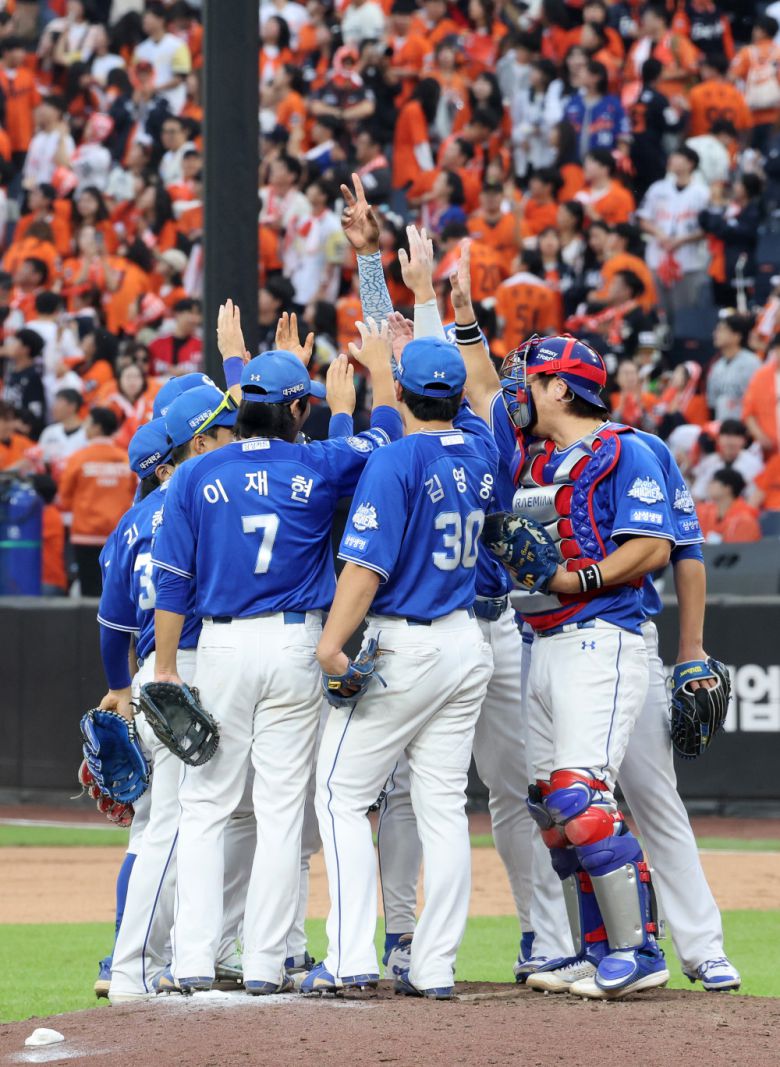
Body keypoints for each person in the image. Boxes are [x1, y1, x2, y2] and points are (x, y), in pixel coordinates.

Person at [150, 306, 402, 995]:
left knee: (206, 803)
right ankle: (265, 963)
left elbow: (171, 582)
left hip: (222, 643)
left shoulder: (195, 475)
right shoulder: (316, 461)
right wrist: (358, 392)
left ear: (238, 408)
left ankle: (193, 958)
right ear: (298, 408)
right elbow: (384, 438)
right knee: (282, 807)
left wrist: (167, 667)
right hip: (296, 641)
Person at [455, 281, 676, 999]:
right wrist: (461, 318)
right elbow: (482, 384)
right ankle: (592, 948)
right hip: (541, 640)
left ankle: (639, 950)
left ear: (560, 388)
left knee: (583, 795)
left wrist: (579, 577)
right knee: (551, 804)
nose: (519, 392)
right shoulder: (534, 454)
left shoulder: (624, 450)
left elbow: (653, 546)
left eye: (531, 381)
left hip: (599, 636)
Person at [306, 333, 497, 999]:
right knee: (442, 807)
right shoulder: (483, 450)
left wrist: (331, 645)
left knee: (340, 795)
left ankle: (349, 956)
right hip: (465, 641)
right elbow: (474, 397)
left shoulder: (394, 460)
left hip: (405, 643)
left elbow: (364, 569)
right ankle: (434, 964)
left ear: (405, 394)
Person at [57, 406, 135, 596]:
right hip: (119, 536)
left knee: (89, 593)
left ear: (97, 427)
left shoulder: (77, 459)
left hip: (85, 535)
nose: (85, 426)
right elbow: (136, 496)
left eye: (88, 422)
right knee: (117, 593)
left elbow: (64, 498)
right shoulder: (127, 459)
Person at [637, 146, 711, 329]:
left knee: (684, 313)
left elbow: (708, 228)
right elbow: (643, 219)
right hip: (658, 257)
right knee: (659, 312)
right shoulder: (657, 188)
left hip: (688, 261)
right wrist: (659, 234)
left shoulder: (702, 192)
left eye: (678, 157)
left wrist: (681, 240)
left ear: (690, 163)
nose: (672, 160)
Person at [690, 419, 764, 501]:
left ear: (744, 440)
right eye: (727, 435)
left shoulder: (753, 463)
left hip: (741, 506)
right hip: (711, 507)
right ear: (718, 439)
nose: (731, 441)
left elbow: (753, 496)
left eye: (736, 436)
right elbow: (698, 494)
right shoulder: (709, 462)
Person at [707, 315, 761, 422]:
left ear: (737, 336)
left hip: (745, 426)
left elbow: (760, 401)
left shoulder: (752, 363)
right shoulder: (716, 366)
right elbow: (712, 404)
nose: (716, 334)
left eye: (722, 330)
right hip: (721, 426)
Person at [696, 468, 762, 542]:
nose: (709, 485)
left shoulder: (746, 520)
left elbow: (742, 548)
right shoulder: (703, 511)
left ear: (727, 488)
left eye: (714, 482)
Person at [3, 328, 46, 432]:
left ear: (25, 349)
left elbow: (35, 414)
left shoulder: (33, 377)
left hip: (18, 434)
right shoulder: (12, 371)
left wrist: (13, 423)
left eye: (15, 342)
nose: (10, 345)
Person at [37, 388, 87, 478]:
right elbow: (40, 460)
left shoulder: (88, 433)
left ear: (72, 406)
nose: (54, 408)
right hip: (51, 481)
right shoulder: (49, 431)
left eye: (58, 403)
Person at [147, 298, 202, 377]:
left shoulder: (201, 346)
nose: (195, 319)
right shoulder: (156, 345)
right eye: (191, 313)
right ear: (177, 314)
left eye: (198, 314)